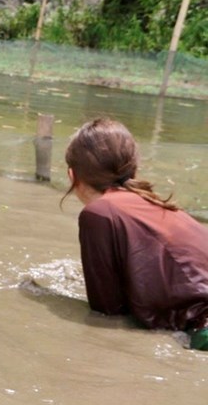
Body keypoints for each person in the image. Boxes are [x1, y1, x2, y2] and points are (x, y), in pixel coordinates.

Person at [63, 117, 208, 349]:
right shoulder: (159, 205)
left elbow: (107, 312)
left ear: (72, 175)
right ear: (133, 169)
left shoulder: (99, 213)